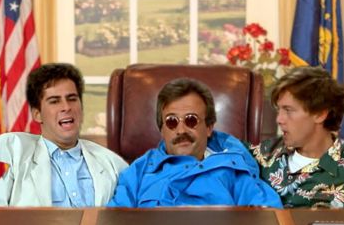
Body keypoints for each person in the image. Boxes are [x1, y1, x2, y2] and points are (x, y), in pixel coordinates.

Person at [108, 78, 281, 208]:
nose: (181, 130)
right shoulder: (139, 171)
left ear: (209, 127)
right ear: (162, 130)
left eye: (191, 120)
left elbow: (267, 222)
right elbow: (116, 224)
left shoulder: (234, 169)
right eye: (171, 121)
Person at [251, 66, 344, 209]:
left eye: (288, 110)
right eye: (279, 110)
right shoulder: (261, 156)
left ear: (320, 114)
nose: (279, 119)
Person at [0, 63, 129, 207]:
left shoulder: (113, 164)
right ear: (37, 114)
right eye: (54, 101)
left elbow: (132, 215)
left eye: (72, 99)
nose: (66, 107)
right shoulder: (18, 164)